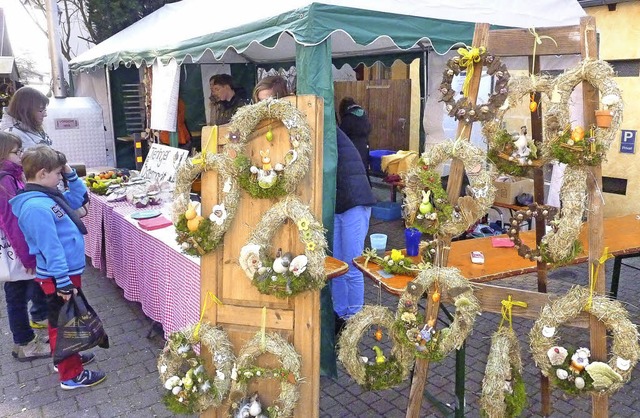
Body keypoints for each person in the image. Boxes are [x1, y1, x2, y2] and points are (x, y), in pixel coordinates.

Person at [10, 145, 104, 390]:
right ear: (42, 174)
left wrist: (70, 174)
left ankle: (63, 358)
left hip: (64, 274)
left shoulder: (49, 196)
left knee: (59, 321)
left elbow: (79, 198)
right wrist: (63, 282)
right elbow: (51, 249)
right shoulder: (37, 208)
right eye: (57, 174)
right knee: (66, 325)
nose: (60, 178)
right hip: (59, 276)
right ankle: (71, 374)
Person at [0, 132, 50, 361]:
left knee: (17, 294)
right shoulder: (5, 180)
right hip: (17, 251)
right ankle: (26, 343)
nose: (20, 155)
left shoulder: (11, 176)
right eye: (16, 151)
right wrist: (28, 256)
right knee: (18, 295)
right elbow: (11, 221)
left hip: (17, 250)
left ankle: (26, 338)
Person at [332, 128, 377, 334]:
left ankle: (355, 320)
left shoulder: (328, 132)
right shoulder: (329, 133)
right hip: (339, 202)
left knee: (352, 263)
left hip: (355, 201)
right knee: (337, 266)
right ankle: (340, 314)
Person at [338, 97, 372, 176]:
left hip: (351, 147)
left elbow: (341, 134)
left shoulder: (348, 118)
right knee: (364, 169)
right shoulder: (364, 115)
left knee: (353, 171)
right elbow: (369, 128)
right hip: (364, 146)